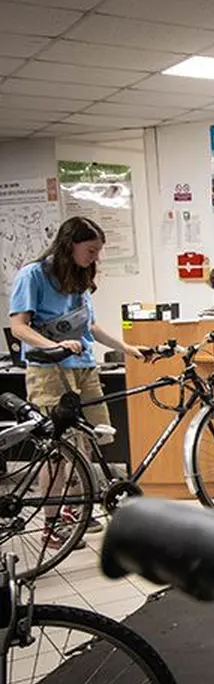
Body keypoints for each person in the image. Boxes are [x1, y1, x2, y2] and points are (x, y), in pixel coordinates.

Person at [7, 217, 148, 549]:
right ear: (70, 244)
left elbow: (91, 327)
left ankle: (72, 509)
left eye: (98, 251)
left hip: (83, 366)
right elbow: (19, 327)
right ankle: (50, 523)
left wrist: (126, 348)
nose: (94, 257)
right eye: (90, 250)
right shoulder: (33, 275)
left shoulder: (80, 276)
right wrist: (53, 346)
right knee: (56, 450)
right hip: (49, 369)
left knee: (89, 441)